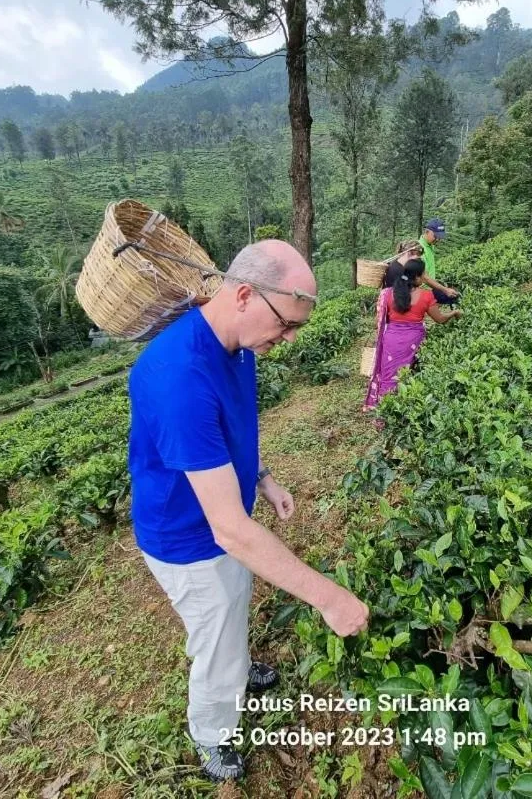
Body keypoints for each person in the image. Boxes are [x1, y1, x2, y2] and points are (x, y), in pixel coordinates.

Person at [128, 240, 370, 783]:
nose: (286, 341)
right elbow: (231, 532)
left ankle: (237, 668)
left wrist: (261, 477)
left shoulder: (237, 344)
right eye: (285, 325)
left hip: (224, 517)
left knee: (235, 599)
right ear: (243, 294)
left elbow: (231, 431)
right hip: (186, 539)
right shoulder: (177, 377)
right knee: (214, 632)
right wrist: (330, 598)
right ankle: (212, 733)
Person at [363, 258, 462, 411]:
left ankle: (384, 409)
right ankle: (406, 408)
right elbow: (440, 319)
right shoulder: (426, 296)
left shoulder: (388, 293)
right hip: (413, 341)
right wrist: (454, 313)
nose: (424, 278)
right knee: (411, 373)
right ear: (417, 277)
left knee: (389, 374)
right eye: (423, 275)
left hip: (391, 339)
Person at [419, 217, 460, 305]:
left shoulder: (430, 245)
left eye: (439, 237)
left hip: (429, 286)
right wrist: (444, 290)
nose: (438, 240)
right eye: (435, 236)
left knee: (454, 295)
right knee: (452, 297)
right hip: (423, 289)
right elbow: (425, 278)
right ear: (427, 232)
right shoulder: (419, 249)